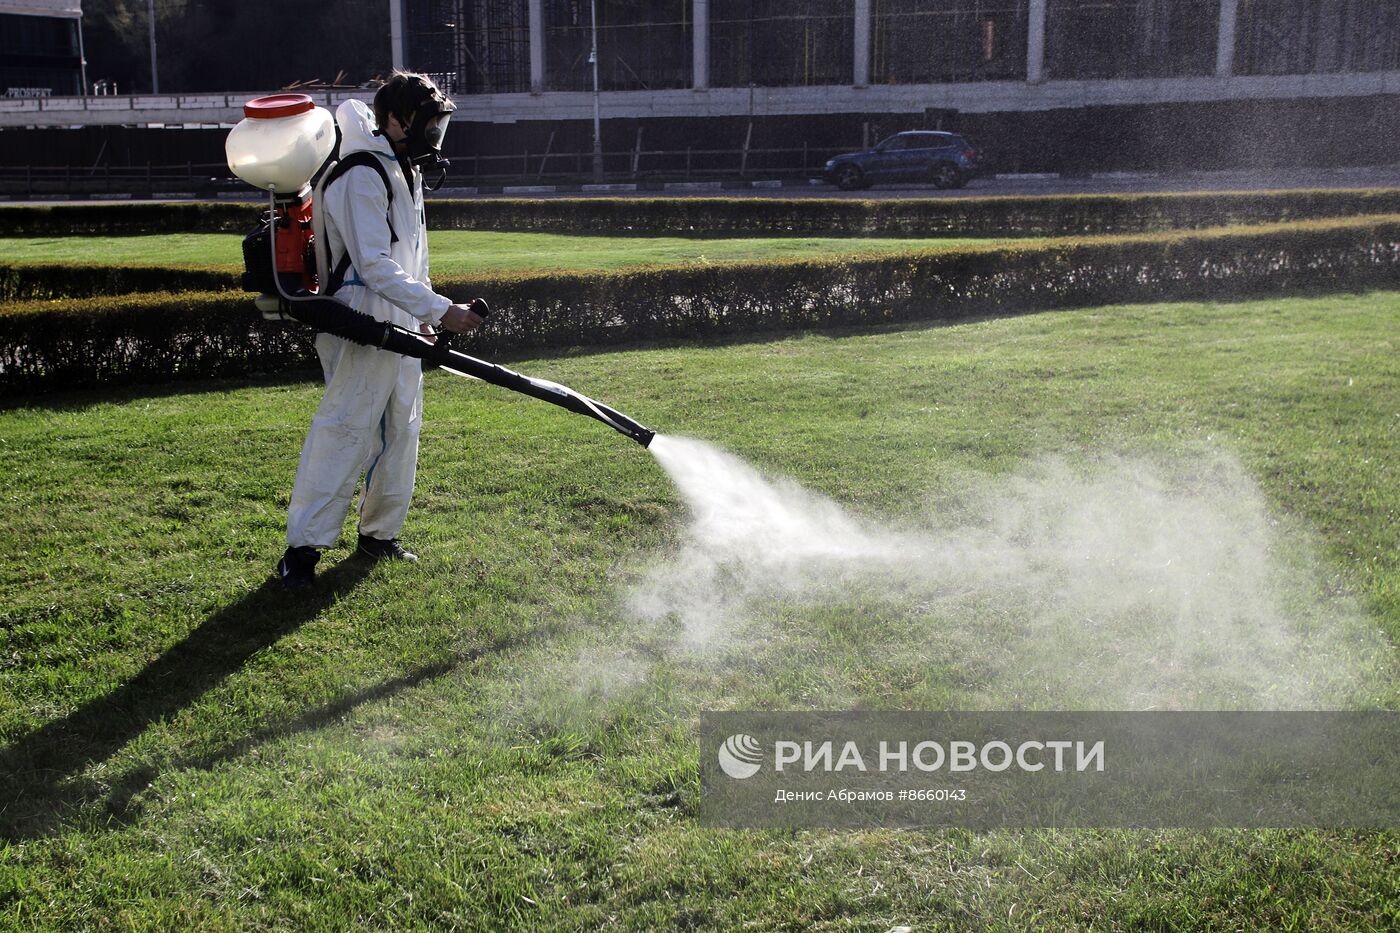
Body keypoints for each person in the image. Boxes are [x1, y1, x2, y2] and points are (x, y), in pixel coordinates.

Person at [277, 72, 483, 587]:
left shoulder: (405, 170)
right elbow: (371, 265)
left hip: (399, 318)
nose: (434, 136)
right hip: (360, 319)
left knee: (401, 429)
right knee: (346, 431)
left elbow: (415, 260)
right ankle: (301, 554)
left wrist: (424, 315)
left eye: (440, 127)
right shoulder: (360, 172)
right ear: (394, 119)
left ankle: (379, 535)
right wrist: (439, 310)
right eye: (427, 124)